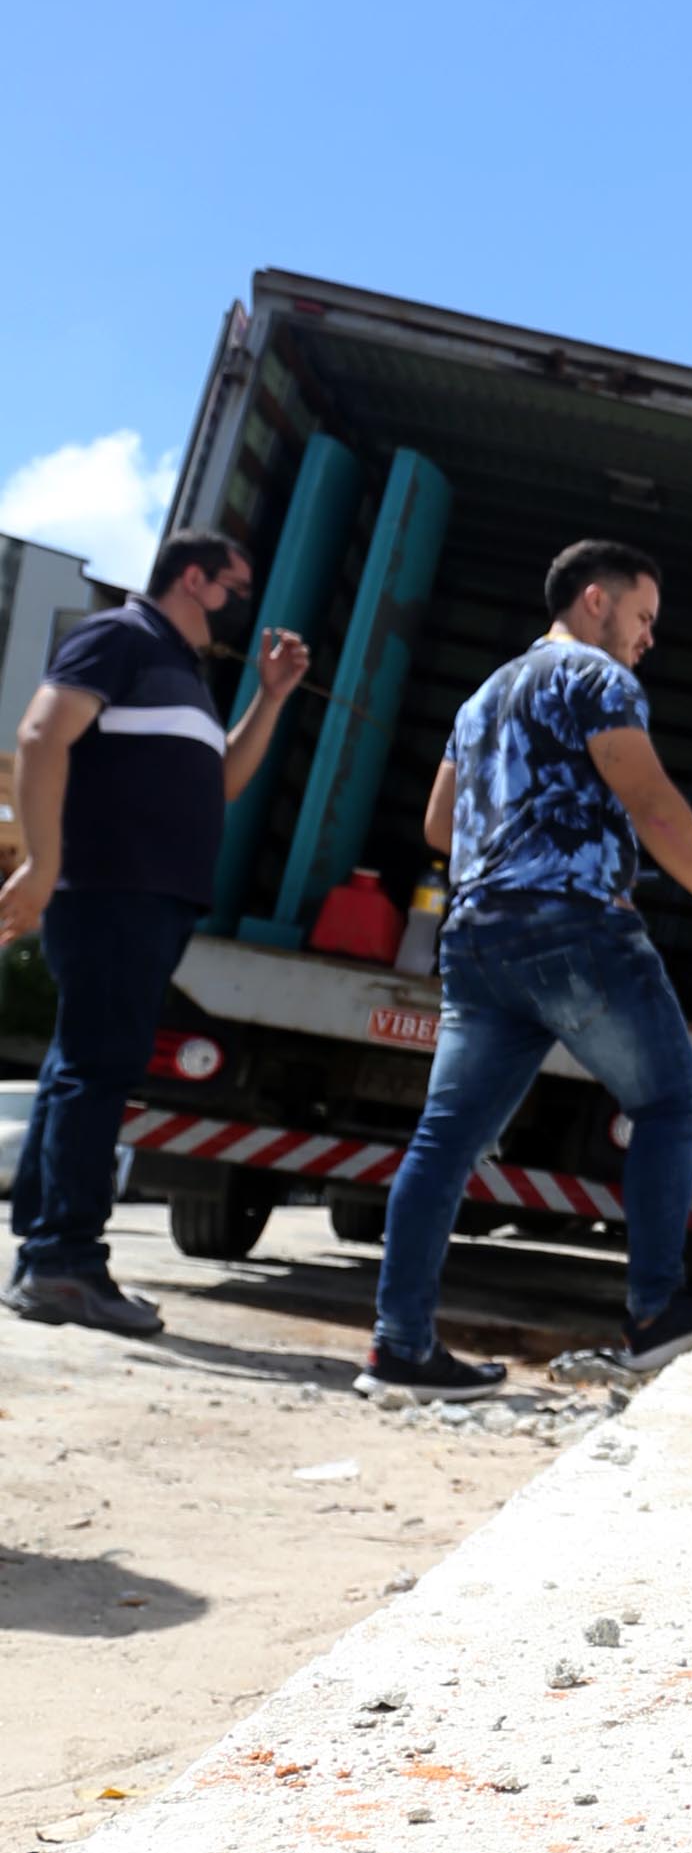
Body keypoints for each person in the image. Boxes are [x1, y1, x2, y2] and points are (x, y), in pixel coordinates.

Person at [364, 539, 692, 1393]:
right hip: (571, 926)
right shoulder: (596, 679)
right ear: (594, 601)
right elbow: (649, 800)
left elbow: (440, 826)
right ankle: (655, 1311)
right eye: (644, 617)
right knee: (672, 1101)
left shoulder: (481, 699)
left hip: (476, 937)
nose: (649, 639)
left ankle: (399, 1346)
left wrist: (518, 825)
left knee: (446, 1142)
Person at [2, 531, 310, 1335]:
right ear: (194, 579)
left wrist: (269, 697)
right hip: (110, 891)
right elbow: (41, 735)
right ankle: (64, 1262)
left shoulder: (186, 678)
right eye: (237, 590)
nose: (244, 608)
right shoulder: (120, 638)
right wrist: (40, 862)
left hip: (155, 900)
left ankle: (43, 1254)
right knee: (100, 1069)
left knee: (82, 1062)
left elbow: (223, 785)